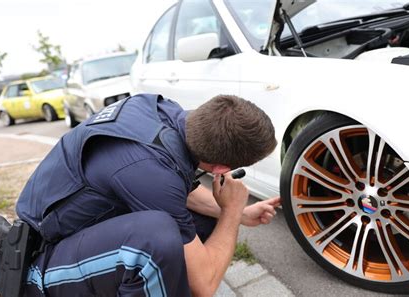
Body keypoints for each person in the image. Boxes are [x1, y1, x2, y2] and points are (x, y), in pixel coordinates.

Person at [15, 93, 279, 297]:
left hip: (73, 239)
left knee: (202, 225)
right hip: (40, 266)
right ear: (222, 169)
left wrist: (240, 214)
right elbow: (205, 285)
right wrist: (231, 212)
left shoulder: (165, 115)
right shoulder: (151, 173)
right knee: (155, 239)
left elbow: (173, 193)